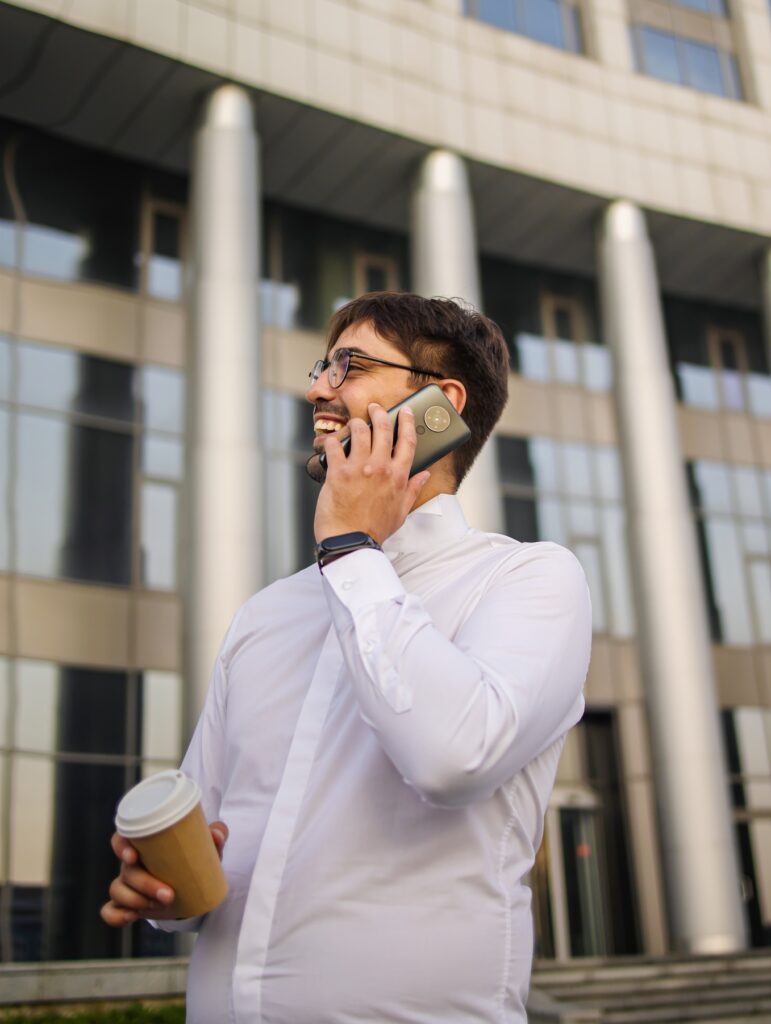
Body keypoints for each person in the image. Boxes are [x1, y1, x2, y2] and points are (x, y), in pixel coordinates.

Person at [102, 292, 592, 1023]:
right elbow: (206, 856)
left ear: (438, 404)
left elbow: (451, 758)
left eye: (349, 366)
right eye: (320, 367)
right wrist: (165, 893)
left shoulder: (529, 579)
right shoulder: (265, 617)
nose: (315, 389)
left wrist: (350, 547)